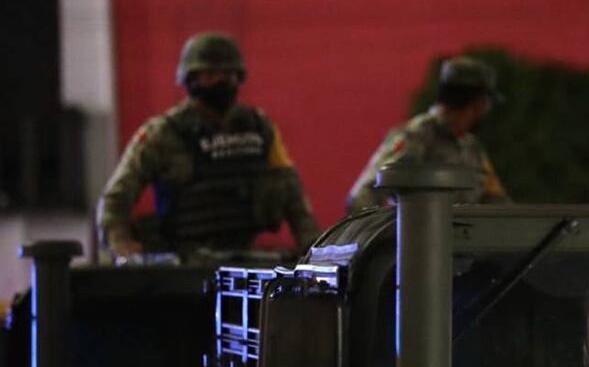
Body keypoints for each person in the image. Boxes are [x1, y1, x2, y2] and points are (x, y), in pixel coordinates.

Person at [96, 32, 320, 260]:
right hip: (182, 261)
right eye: (211, 75)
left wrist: (313, 248)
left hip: (245, 255)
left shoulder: (259, 128)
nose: (222, 82)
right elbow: (116, 200)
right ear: (191, 79)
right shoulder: (163, 134)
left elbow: (292, 192)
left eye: (229, 75)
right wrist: (125, 249)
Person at [346, 56, 510, 211]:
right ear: (476, 102)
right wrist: (389, 237)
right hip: (419, 238)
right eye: (486, 102)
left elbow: (496, 200)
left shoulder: (471, 147)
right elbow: (362, 196)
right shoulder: (415, 137)